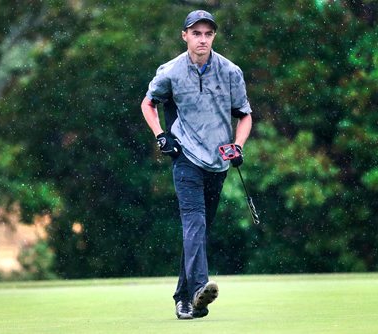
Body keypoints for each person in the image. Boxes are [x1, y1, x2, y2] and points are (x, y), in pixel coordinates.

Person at [140, 9, 253, 320]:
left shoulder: (231, 72)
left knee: (199, 233)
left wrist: (238, 146)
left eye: (208, 33)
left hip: (218, 164)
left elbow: (244, 115)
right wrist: (161, 134)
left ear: (213, 36)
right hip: (186, 158)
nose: (202, 39)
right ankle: (200, 288)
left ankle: (183, 298)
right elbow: (148, 103)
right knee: (195, 225)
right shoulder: (171, 71)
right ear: (185, 36)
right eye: (196, 33)